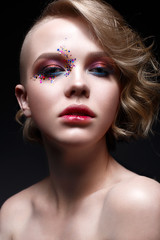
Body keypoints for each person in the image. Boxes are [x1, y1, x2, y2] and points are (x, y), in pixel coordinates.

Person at [0, 0, 160, 239]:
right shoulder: (13, 215)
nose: (78, 85)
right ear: (25, 100)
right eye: (53, 70)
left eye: (100, 69)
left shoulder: (140, 202)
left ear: (119, 93)